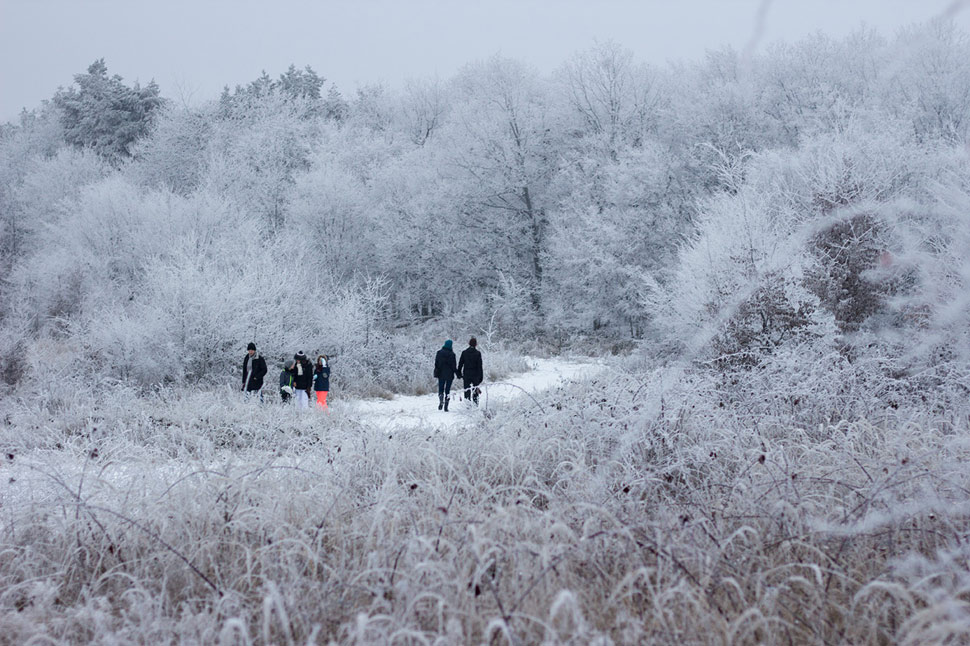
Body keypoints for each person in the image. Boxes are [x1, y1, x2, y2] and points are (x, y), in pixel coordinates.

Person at [457, 337, 483, 406]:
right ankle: (475, 405)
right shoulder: (478, 353)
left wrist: (459, 373)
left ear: (469, 344)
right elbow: (480, 366)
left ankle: (467, 405)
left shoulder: (464, 352)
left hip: (467, 374)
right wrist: (481, 376)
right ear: (476, 344)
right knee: (475, 390)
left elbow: (460, 364)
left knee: (467, 390)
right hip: (475, 375)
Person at [433, 339, 458, 411]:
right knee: (448, 390)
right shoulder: (452, 354)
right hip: (449, 375)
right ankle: (446, 406)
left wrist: (437, 371)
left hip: (441, 374)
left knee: (441, 388)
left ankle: (441, 400)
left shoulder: (439, 353)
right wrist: (457, 373)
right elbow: (454, 366)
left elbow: (436, 363)